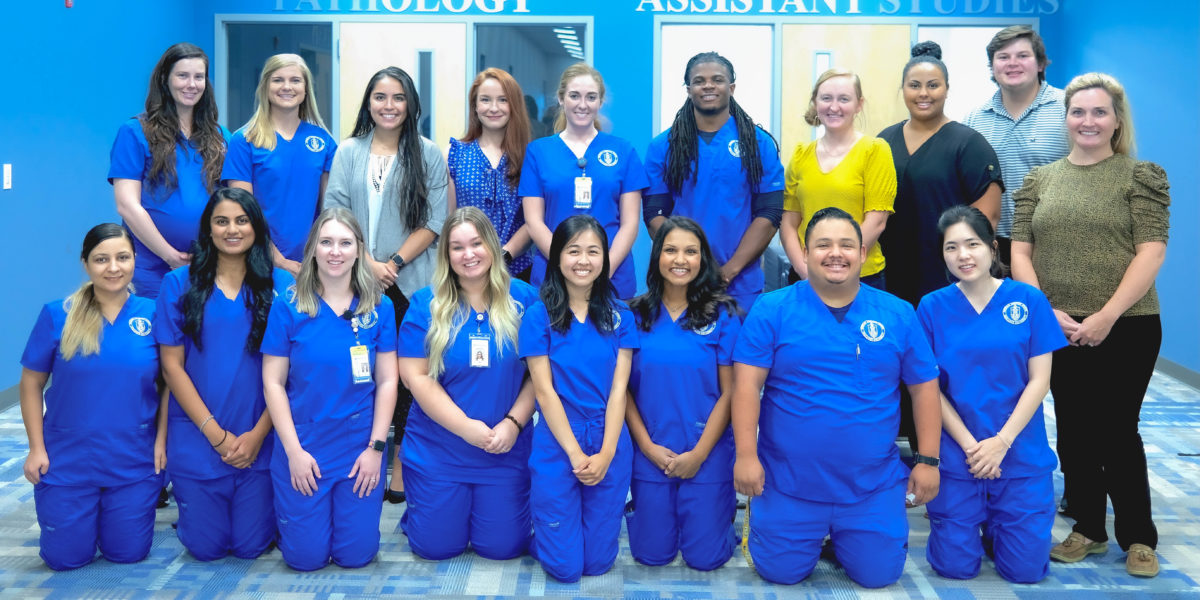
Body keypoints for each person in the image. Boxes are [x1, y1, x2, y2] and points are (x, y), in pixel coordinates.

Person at [1011, 73, 1170, 578]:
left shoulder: (1139, 175)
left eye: (1099, 112)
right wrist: (1043, 309)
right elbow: (1019, 250)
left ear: (1116, 121)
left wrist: (1106, 316)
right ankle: (1088, 528)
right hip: (1056, 324)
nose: (1087, 121)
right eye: (1078, 112)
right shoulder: (1041, 179)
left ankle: (1139, 536)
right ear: (1067, 119)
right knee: (1075, 430)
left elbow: (1152, 250)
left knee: (1118, 430)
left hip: (1128, 324)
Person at [732, 207, 941, 588]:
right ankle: (810, 534)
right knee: (780, 574)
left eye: (847, 245)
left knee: (880, 575)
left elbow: (924, 387)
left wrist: (927, 460)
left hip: (870, 485)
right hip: (789, 482)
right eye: (823, 245)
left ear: (862, 253)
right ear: (805, 253)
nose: (835, 253)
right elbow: (746, 387)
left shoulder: (898, 313)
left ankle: (843, 536)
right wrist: (746, 456)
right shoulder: (773, 309)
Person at [916, 205, 1064, 583]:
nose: (963, 255)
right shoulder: (932, 307)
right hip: (959, 453)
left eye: (972, 244)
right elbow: (928, 388)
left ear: (992, 247)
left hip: (1018, 452)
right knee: (954, 568)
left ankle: (1001, 527)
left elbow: (1039, 381)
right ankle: (974, 525)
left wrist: (1001, 442)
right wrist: (972, 447)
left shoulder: (1029, 301)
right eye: (951, 248)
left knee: (1026, 572)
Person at [325, 66, 449, 504]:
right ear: (368, 103)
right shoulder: (348, 151)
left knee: (411, 374)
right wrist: (367, 262)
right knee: (366, 371)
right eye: (380, 97)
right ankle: (361, 456)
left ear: (411, 104)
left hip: (410, 280)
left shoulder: (429, 153)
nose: (389, 105)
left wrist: (391, 263)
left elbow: (435, 221)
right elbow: (335, 211)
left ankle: (399, 471)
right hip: (357, 279)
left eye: (398, 97)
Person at [19, 224, 165, 570]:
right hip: (68, 460)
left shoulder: (154, 314)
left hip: (132, 458)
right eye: (102, 259)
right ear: (85, 263)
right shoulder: (58, 315)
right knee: (64, 559)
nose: (113, 267)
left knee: (128, 553)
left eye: (122, 258)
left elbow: (171, 383)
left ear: (134, 261)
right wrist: (36, 449)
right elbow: (29, 384)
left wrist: (162, 441)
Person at [260, 208, 399, 571]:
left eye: (344, 243)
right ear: (313, 250)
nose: (335, 252)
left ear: (358, 251)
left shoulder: (379, 308)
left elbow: (387, 381)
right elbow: (273, 383)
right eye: (326, 242)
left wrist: (376, 449)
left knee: (356, 557)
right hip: (305, 446)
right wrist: (293, 452)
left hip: (359, 450)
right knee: (305, 559)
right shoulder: (288, 306)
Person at [156, 188, 292, 560]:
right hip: (199, 437)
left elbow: (289, 373)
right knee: (206, 548)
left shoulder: (284, 287)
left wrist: (257, 435)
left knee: (249, 547)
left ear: (256, 227)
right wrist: (216, 436)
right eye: (222, 221)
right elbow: (172, 367)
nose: (232, 229)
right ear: (208, 229)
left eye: (241, 220)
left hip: (259, 438)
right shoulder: (178, 284)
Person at [396, 207, 538, 560]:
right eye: (457, 247)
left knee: (503, 548)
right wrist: (467, 429)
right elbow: (416, 378)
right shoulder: (425, 304)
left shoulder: (526, 300)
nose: (469, 254)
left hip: (504, 448)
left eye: (476, 243)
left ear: (491, 246)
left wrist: (513, 423)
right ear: (446, 255)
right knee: (436, 548)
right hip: (439, 450)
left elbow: (540, 377)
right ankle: (422, 508)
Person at [519, 215, 639, 582]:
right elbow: (544, 391)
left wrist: (605, 454)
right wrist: (574, 453)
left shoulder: (621, 316)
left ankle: (566, 532)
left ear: (605, 258)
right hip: (558, 441)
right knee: (566, 569)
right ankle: (544, 533)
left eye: (592, 251)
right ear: (556, 257)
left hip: (609, 439)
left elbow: (620, 390)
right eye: (573, 251)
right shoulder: (539, 317)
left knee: (598, 564)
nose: (583, 260)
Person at [624, 216, 741, 570]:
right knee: (651, 556)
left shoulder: (724, 315)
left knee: (706, 559)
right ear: (657, 256)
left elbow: (730, 393)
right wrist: (647, 447)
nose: (680, 259)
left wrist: (699, 454)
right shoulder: (634, 314)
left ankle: (717, 519)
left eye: (691, 252)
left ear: (703, 259)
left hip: (707, 454)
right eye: (671, 250)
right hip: (651, 453)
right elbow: (622, 393)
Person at [644, 52, 785, 311]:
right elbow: (654, 213)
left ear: (731, 87)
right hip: (680, 282)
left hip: (740, 284)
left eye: (717, 80)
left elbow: (770, 212)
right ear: (688, 89)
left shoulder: (759, 144)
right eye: (699, 81)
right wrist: (687, 266)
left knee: (738, 352)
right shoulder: (663, 146)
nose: (708, 85)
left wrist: (729, 271)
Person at [878, 41, 1003, 308]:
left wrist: (965, 264)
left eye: (933, 85)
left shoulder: (969, 144)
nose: (924, 93)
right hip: (889, 275)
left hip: (949, 279)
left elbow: (987, 218)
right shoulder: (883, 141)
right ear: (903, 90)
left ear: (947, 89)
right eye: (914, 85)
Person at [110, 42, 228, 299]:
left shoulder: (220, 137)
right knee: (155, 336)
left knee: (200, 338)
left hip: (208, 267)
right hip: (150, 268)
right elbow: (127, 205)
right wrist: (169, 255)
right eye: (182, 75)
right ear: (165, 79)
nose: (192, 84)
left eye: (199, 77)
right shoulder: (135, 132)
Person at [521, 63, 647, 299]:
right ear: (560, 99)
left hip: (611, 277)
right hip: (554, 276)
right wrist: (568, 268)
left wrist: (601, 271)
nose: (582, 104)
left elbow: (630, 224)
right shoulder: (538, 152)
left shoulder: (623, 151)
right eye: (574, 96)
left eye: (591, 97)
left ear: (600, 101)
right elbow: (533, 221)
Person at [780, 68, 896, 289]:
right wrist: (807, 272)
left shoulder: (875, 151)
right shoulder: (800, 154)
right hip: (807, 277)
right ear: (815, 102)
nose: (834, 107)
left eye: (844, 99)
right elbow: (788, 222)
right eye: (826, 98)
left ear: (858, 105)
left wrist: (837, 265)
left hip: (861, 277)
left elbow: (876, 221)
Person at [964, 26, 1069, 267]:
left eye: (1022, 56)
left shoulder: (1069, 110)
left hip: (1052, 244)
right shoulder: (973, 120)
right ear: (992, 67)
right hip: (992, 246)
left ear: (1040, 64)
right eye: (1003, 57)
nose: (1012, 63)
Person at [223, 53, 337, 276]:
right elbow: (242, 211)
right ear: (265, 86)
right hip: (256, 259)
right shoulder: (244, 140)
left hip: (311, 264)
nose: (287, 87)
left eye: (295, 80)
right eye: (278, 80)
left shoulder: (323, 141)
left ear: (306, 89)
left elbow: (329, 210)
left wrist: (319, 257)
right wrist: (280, 261)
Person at [447, 69, 534, 281]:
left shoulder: (531, 156)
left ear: (514, 105)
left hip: (517, 269)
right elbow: (451, 218)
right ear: (475, 106)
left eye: (503, 100)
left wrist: (503, 255)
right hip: (468, 269)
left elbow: (533, 220)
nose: (493, 108)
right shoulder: (454, 153)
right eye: (485, 100)